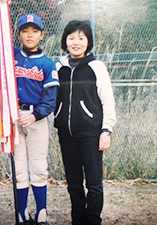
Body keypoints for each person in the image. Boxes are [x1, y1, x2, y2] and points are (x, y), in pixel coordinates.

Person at [53, 20, 117, 225]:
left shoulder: (96, 67)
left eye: (81, 38)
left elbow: (107, 100)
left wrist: (106, 130)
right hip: (66, 134)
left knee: (94, 184)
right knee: (73, 184)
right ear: (65, 41)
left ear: (88, 42)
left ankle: (93, 221)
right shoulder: (58, 67)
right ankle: (78, 220)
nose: (76, 42)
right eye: (71, 38)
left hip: (91, 134)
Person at [13, 13, 59, 225]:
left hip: (36, 119)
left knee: (38, 167)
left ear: (42, 34)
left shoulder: (48, 64)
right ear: (19, 34)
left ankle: (41, 212)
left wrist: (34, 115)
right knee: (19, 168)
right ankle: (21, 214)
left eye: (34, 31)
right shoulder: (11, 55)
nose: (29, 35)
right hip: (13, 119)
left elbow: (50, 100)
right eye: (25, 31)